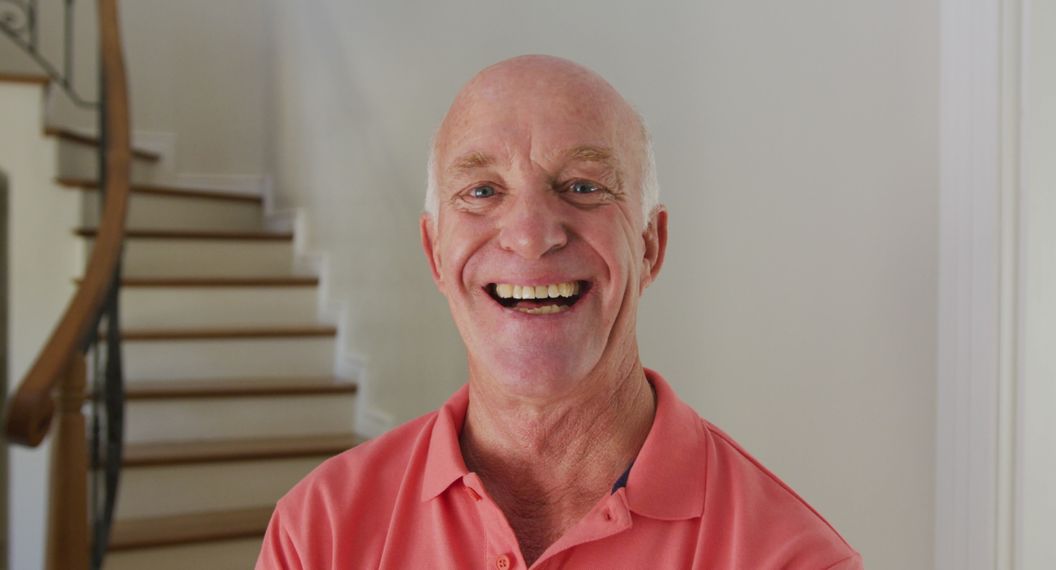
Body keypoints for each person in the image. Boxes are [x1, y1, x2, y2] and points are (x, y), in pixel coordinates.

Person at [256, 55, 862, 570]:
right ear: (434, 254)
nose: (529, 234)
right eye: (482, 191)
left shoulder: (788, 556)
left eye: (582, 185)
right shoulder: (318, 535)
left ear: (649, 246)